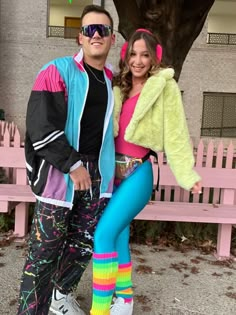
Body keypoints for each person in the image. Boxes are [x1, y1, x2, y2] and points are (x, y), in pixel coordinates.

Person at [89, 29, 202, 315]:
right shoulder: (118, 86)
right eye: (133, 54)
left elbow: (176, 134)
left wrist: (187, 175)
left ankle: (99, 310)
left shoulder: (164, 88)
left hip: (137, 173)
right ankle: (124, 300)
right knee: (117, 236)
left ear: (154, 58)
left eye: (145, 55)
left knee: (102, 235)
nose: (138, 61)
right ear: (126, 56)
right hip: (110, 173)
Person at [17, 4, 116, 315]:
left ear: (112, 39)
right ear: (80, 38)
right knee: (44, 252)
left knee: (83, 243)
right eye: (90, 29)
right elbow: (39, 124)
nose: (96, 34)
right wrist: (72, 165)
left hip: (98, 176)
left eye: (103, 29)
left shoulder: (112, 79)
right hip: (60, 176)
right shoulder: (56, 71)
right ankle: (31, 311)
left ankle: (61, 298)